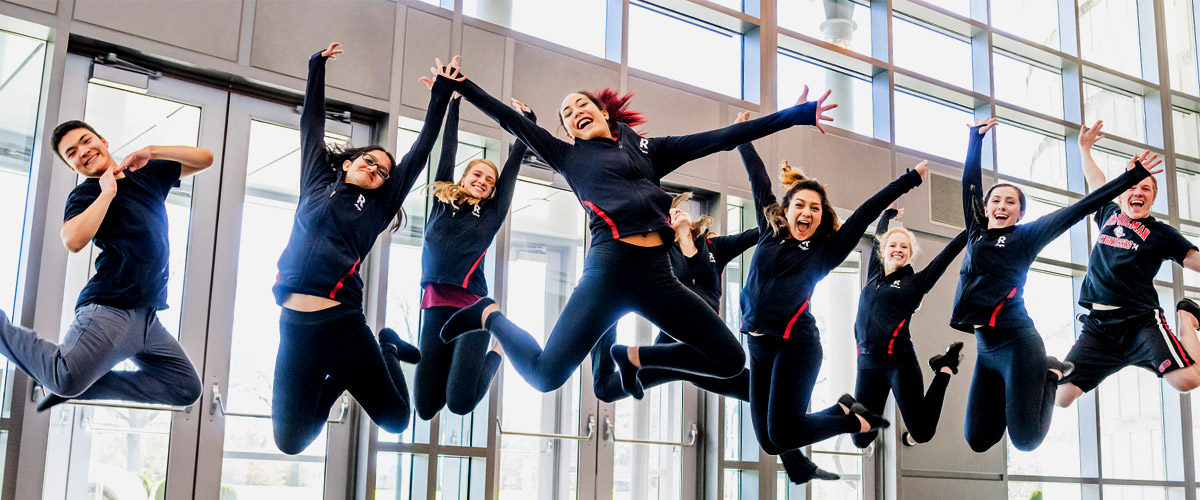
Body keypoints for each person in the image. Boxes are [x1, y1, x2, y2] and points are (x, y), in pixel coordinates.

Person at [436, 59, 837, 401]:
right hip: (607, 273)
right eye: (566, 114)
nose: (575, 111)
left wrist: (797, 115)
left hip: (656, 276)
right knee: (545, 376)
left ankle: (634, 358)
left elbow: (724, 138)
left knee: (731, 360)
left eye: (581, 104)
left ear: (603, 112)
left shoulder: (650, 151)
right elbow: (508, 119)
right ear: (569, 131)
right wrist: (460, 84)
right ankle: (488, 315)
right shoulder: (568, 157)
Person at [269, 43, 455, 454]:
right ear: (348, 162)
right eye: (369, 161)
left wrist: (439, 96)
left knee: (395, 419)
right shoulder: (316, 180)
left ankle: (386, 345)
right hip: (295, 329)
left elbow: (421, 151)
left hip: (342, 325)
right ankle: (341, 379)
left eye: (383, 172)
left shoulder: (378, 205)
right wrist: (315, 66)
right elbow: (310, 126)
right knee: (291, 441)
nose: (374, 170)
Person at [737, 109, 924, 477]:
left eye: (815, 208)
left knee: (784, 431)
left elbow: (866, 213)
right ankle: (841, 411)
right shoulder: (768, 230)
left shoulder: (826, 251)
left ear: (821, 217)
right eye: (800, 206)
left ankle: (851, 420)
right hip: (757, 346)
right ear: (786, 210)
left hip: (797, 346)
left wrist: (908, 180)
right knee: (771, 442)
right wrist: (743, 135)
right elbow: (758, 179)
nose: (807, 212)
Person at [953, 117, 1157, 452]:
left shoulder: (1026, 236)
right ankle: (1020, 394)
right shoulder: (976, 233)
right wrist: (975, 142)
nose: (1002, 206)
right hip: (985, 347)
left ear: (1019, 213)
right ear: (986, 209)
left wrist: (1131, 179)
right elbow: (970, 187)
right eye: (996, 201)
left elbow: (1080, 209)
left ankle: (1050, 373)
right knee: (978, 439)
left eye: (1011, 202)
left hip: (1018, 343)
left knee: (1026, 440)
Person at [0, 118, 212, 412]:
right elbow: (73, 240)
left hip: (147, 316)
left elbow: (206, 158)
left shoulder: (147, 174)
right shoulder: (85, 195)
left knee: (185, 388)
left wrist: (152, 150)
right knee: (64, 377)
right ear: (72, 167)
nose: (83, 152)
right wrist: (106, 193)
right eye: (71, 153)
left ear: (103, 141)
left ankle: (81, 386)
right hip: (110, 308)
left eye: (86, 141)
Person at [1055, 121, 1200, 408]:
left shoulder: (1161, 233)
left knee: (1187, 381)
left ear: (1153, 197)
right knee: (1061, 398)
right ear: (1122, 194)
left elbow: (1194, 259)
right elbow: (1097, 183)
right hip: (1099, 329)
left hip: (1139, 323)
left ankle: (1187, 316)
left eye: (1146, 189)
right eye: (1133, 186)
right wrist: (1084, 149)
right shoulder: (1108, 214)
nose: (1139, 192)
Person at [412, 94, 533, 419]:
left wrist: (526, 124)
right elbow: (446, 150)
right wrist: (453, 105)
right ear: (463, 178)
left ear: (493, 191)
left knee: (460, 403)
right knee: (425, 407)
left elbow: (511, 171)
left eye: (488, 180)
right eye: (476, 175)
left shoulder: (491, 212)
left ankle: (498, 351)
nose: (482, 181)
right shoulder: (441, 200)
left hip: (472, 307)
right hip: (435, 305)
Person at [851, 206, 967, 448]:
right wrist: (886, 216)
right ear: (884, 251)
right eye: (893, 245)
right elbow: (877, 238)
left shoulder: (915, 283)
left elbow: (946, 256)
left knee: (923, 432)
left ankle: (945, 367)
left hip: (898, 362)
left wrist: (970, 231)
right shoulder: (874, 274)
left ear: (910, 253)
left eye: (904, 247)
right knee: (861, 439)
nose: (898, 250)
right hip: (868, 363)